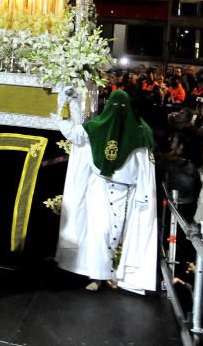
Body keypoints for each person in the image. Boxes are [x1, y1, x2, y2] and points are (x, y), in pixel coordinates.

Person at [56, 88, 157, 293]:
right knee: (99, 232)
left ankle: (116, 275)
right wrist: (66, 104)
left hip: (126, 192)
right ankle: (97, 275)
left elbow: (145, 167)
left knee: (119, 233)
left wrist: (144, 194)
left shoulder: (140, 131)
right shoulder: (96, 126)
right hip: (100, 189)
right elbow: (74, 132)